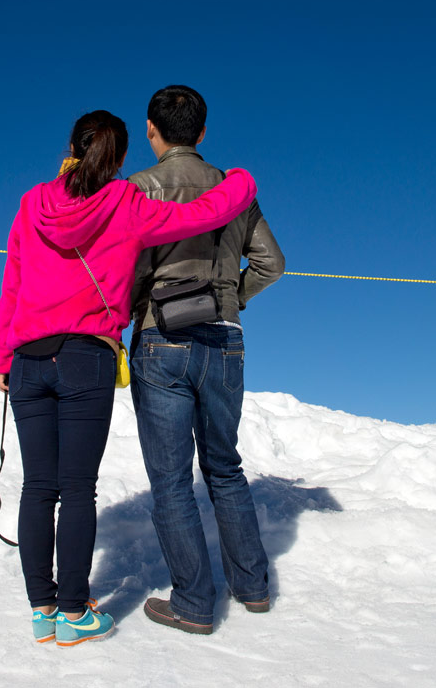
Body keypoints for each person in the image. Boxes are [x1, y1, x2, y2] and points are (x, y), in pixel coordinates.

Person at [0, 108, 258, 647]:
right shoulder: (125, 203)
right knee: (77, 488)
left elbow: (12, 284)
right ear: (119, 157)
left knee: (38, 486)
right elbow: (202, 215)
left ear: (72, 145)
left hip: (28, 358)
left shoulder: (32, 203)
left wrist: (2, 357)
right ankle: (74, 613)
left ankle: (43, 611)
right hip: (86, 355)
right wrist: (242, 181)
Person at [127, 85, 285, 635]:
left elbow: (131, 269)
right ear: (202, 131)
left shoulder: (141, 189)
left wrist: (128, 313)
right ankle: (253, 588)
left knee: (171, 481)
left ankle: (194, 603)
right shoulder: (233, 189)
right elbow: (272, 263)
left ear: (152, 129)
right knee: (224, 466)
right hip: (224, 337)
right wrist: (229, 297)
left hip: (161, 337)